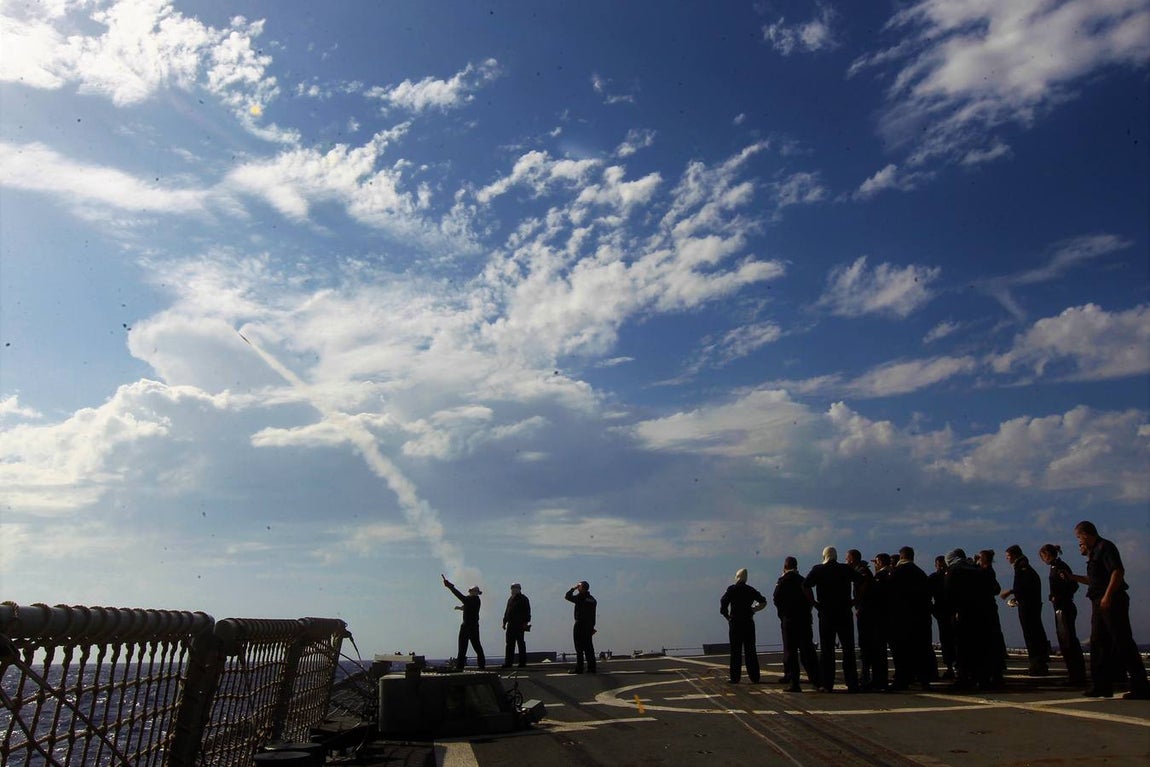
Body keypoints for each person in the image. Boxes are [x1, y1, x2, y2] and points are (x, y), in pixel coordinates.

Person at [1062, 521, 1150, 699]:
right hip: (1099, 601)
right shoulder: (1094, 552)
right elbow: (1094, 580)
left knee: (1122, 641)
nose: (1079, 541)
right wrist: (1072, 577)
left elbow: (1117, 572)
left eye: (1079, 537)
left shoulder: (1105, 547)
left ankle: (1141, 686)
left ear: (1085, 534)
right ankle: (1101, 686)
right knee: (1098, 643)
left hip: (1112, 601)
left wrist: (1107, 596)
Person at [803, 546, 863, 692]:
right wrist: (855, 600)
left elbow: (805, 585)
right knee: (848, 649)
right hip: (844, 612)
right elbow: (862, 581)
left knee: (827, 649)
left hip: (826, 613)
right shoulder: (845, 569)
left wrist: (814, 603)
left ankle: (827, 683)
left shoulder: (818, 569)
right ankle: (852, 683)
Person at [1038, 544, 1086, 686]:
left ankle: (1076, 675)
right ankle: (1075, 674)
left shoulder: (1059, 567)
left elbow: (1073, 585)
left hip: (1063, 606)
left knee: (1068, 641)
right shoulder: (1056, 566)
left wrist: (1058, 597)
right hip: (1061, 605)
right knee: (1066, 640)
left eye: (1042, 556)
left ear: (1047, 554)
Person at [888, 546, 934, 690]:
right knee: (921, 650)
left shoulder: (897, 572)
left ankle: (902, 679)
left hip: (901, 617)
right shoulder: (921, 573)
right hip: (921, 617)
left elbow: (889, 594)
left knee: (901, 650)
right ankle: (923, 678)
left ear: (901, 557)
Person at [1001, 544, 1049, 675]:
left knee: (1031, 634)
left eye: (1008, 556)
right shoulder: (1023, 567)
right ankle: (1039, 662)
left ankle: (1037, 664)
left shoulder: (1022, 567)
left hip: (1028, 606)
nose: (1007, 558)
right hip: (1029, 603)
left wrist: (1011, 592)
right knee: (1034, 632)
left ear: (1014, 555)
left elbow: (1024, 586)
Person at [772, 558, 819, 692]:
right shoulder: (803, 580)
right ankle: (816, 681)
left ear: (785, 567)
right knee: (808, 651)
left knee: (791, 652)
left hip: (789, 620)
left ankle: (794, 683)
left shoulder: (782, 581)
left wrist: (783, 614)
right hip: (804, 620)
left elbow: (776, 598)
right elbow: (810, 599)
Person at [720, 567, 768, 684]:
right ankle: (754, 677)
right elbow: (763, 601)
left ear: (737, 577)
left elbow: (723, 602)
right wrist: (753, 609)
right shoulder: (750, 590)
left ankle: (735, 677)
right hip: (748, 622)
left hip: (735, 622)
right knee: (750, 650)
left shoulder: (732, 589)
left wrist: (727, 616)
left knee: (735, 651)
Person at [443, 574, 485, 671]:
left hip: (468, 626)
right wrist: (460, 608)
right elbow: (467, 606)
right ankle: (479, 665)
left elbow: (460, 596)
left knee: (466, 648)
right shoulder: (474, 600)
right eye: (472, 591)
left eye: (474, 591)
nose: (472, 592)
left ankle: (461, 667)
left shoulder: (473, 600)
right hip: (472, 626)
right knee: (473, 647)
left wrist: (450, 587)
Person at [928, 555, 956, 680]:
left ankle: (951, 667)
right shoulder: (948, 576)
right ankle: (952, 667)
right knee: (948, 641)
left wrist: (933, 609)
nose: (941, 567)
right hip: (947, 611)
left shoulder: (935, 577)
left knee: (947, 641)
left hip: (944, 611)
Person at [565, 580, 598, 674]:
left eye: (579, 586)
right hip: (589, 625)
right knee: (589, 647)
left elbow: (567, 596)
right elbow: (593, 615)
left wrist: (573, 588)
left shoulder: (580, 597)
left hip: (580, 624)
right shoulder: (592, 599)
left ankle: (579, 668)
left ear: (582, 588)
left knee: (579, 647)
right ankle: (592, 668)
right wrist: (592, 626)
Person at [502, 582, 532, 668]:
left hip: (519, 624)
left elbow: (527, 611)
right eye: (512, 588)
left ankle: (522, 662)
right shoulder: (510, 599)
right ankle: (508, 662)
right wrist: (504, 622)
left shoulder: (523, 599)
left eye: (515, 588)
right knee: (509, 644)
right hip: (511, 624)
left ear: (519, 589)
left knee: (520, 643)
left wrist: (525, 622)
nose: (513, 590)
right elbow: (507, 611)